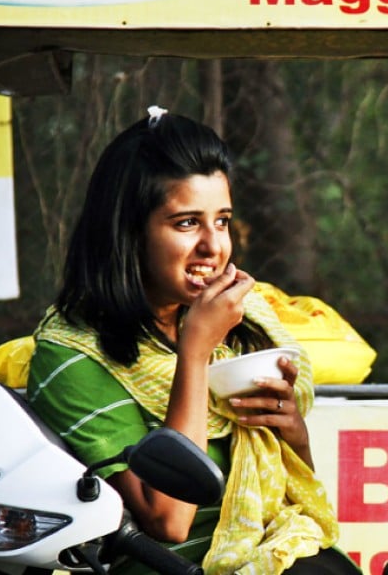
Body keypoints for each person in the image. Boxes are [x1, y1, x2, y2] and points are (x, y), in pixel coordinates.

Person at [26, 107, 360, 575]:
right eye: (186, 223)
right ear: (127, 232)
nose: (213, 247)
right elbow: (169, 519)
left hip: (283, 551)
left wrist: (292, 434)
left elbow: (288, 487)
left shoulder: (244, 321)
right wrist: (196, 353)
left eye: (221, 221)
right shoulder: (72, 353)